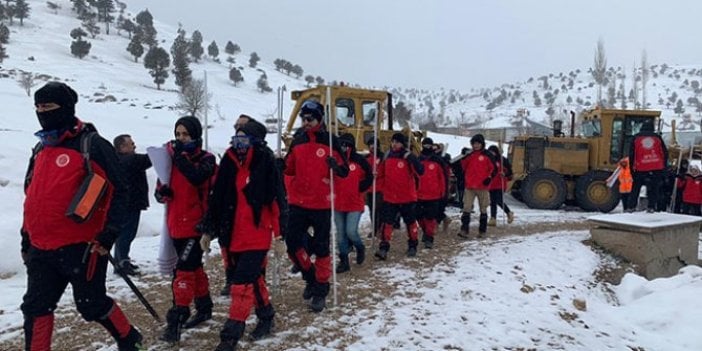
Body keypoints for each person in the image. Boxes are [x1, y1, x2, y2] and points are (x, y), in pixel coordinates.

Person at [21, 82, 143, 350]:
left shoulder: (92, 145)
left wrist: (109, 233)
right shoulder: (40, 148)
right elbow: (32, 196)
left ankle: (129, 338)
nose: (42, 112)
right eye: (38, 107)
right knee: (35, 308)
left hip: (84, 246)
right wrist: (25, 235)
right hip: (42, 247)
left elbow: (120, 190)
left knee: (91, 305)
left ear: (66, 108)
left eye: (48, 107)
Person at [199, 119, 285, 350]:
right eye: (236, 138)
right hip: (233, 231)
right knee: (253, 278)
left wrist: (279, 235)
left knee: (241, 284)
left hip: (258, 231)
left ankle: (231, 335)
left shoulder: (266, 162)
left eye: (244, 139)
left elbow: (276, 200)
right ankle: (266, 315)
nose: (239, 144)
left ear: (255, 141)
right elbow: (218, 198)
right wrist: (209, 229)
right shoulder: (228, 160)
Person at [283, 100, 348, 313]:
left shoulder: (330, 140)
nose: (306, 122)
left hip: (321, 201)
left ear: (319, 119)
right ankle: (309, 276)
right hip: (298, 201)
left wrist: (335, 167)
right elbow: (290, 168)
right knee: (292, 243)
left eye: (309, 118)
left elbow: (344, 171)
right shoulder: (298, 140)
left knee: (321, 246)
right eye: (303, 118)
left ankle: (321, 289)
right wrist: (281, 163)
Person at [155, 116, 216, 342]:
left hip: (197, 226)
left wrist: (180, 157)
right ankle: (204, 305)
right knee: (194, 268)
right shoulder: (170, 160)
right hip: (175, 224)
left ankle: (177, 318)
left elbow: (198, 177)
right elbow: (161, 184)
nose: (180, 139)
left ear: (195, 135)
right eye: (178, 134)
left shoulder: (206, 159)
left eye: (185, 135)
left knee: (182, 271)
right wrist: (162, 193)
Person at [375, 132, 425, 259]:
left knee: (410, 223)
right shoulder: (387, 156)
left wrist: (413, 159)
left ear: (402, 144)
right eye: (393, 141)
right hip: (390, 197)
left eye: (397, 142)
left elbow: (420, 171)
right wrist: (382, 189)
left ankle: (413, 245)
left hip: (407, 197)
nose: (394, 144)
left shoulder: (408, 156)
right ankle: (384, 247)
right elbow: (380, 175)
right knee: (387, 223)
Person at [112, 134, 152, 276]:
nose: (134, 146)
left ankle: (121, 260)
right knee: (126, 234)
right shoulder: (128, 160)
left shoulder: (118, 160)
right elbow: (148, 160)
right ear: (122, 147)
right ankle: (122, 263)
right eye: (131, 143)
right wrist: (166, 150)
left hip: (127, 203)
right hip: (130, 204)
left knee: (124, 234)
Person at [334, 133, 373, 273]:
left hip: (354, 203)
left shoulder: (359, 160)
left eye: (346, 145)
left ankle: (360, 247)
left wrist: (360, 187)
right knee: (340, 234)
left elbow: (369, 176)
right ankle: (344, 260)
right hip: (338, 202)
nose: (343, 147)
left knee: (351, 231)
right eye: (341, 144)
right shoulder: (335, 160)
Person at [459, 134, 496, 239]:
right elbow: (462, 167)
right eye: (474, 143)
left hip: (482, 186)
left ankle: (482, 231)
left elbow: (493, 169)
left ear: (482, 144)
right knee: (466, 208)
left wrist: (489, 178)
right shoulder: (469, 155)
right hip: (470, 186)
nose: (476, 145)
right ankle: (464, 229)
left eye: (478, 143)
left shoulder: (488, 155)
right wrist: (463, 156)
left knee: (483, 209)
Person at [627, 121, 668, 213]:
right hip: (656, 167)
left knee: (635, 188)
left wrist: (632, 170)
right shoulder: (657, 138)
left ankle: (631, 207)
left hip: (640, 167)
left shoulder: (636, 138)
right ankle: (651, 207)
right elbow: (664, 154)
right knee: (654, 189)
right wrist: (663, 169)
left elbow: (631, 155)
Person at [416, 138, 447, 249]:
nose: (427, 147)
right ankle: (425, 231)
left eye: (429, 145)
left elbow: (442, 178)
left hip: (433, 194)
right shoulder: (418, 159)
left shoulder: (438, 161)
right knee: (419, 216)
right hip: (419, 193)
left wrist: (443, 192)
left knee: (430, 218)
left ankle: (429, 237)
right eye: (425, 145)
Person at [486, 145, 515, 226]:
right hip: (492, 184)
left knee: (499, 200)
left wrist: (505, 173)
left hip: (500, 183)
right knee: (493, 202)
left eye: (493, 152)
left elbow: (510, 172)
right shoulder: (488, 160)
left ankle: (508, 212)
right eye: (490, 152)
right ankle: (493, 218)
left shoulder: (503, 160)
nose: (492, 154)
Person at [364, 136, 384, 238]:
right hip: (370, 188)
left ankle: (380, 228)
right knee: (372, 210)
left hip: (380, 188)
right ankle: (375, 228)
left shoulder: (383, 157)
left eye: (374, 144)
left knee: (379, 209)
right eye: (370, 145)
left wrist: (377, 174)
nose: (372, 146)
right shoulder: (366, 158)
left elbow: (385, 171)